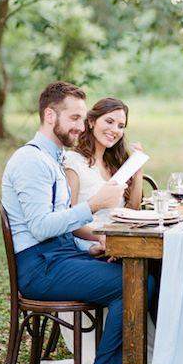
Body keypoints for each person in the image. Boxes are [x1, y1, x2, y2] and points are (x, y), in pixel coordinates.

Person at [1, 81, 153, 364]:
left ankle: (137, 363)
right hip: (39, 267)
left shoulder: (52, 159)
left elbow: (62, 223)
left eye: (83, 118)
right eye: (74, 118)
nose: (80, 126)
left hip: (62, 255)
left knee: (143, 275)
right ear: (49, 115)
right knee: (136, 283)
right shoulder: (31, 161)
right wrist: (94, 205)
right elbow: (41, 227)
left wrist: (95, 244)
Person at [64, 97, 143, 256]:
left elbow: (132, 210)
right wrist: (103, 238)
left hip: (118, 242)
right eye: (109, 121)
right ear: (91, 122)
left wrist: (138, 169)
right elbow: (70, 220)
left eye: (121, 126)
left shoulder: (113, 164)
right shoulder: (74, 162)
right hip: (91, 245)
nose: (115, 130)